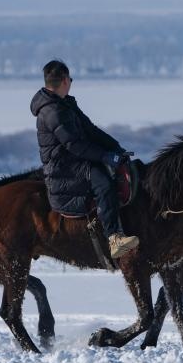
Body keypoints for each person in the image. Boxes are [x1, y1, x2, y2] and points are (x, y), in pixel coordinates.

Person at [30, 60, 139, 259]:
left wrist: (115, 148)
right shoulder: (52, 111)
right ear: (64, 80)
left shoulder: (65, 104)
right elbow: (74, 145)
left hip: (76, 161)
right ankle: (114, 239)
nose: (71, 82)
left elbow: (91, 130)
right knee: (105, 185)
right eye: (70, 79)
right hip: (64, 168)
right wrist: (105, 156)